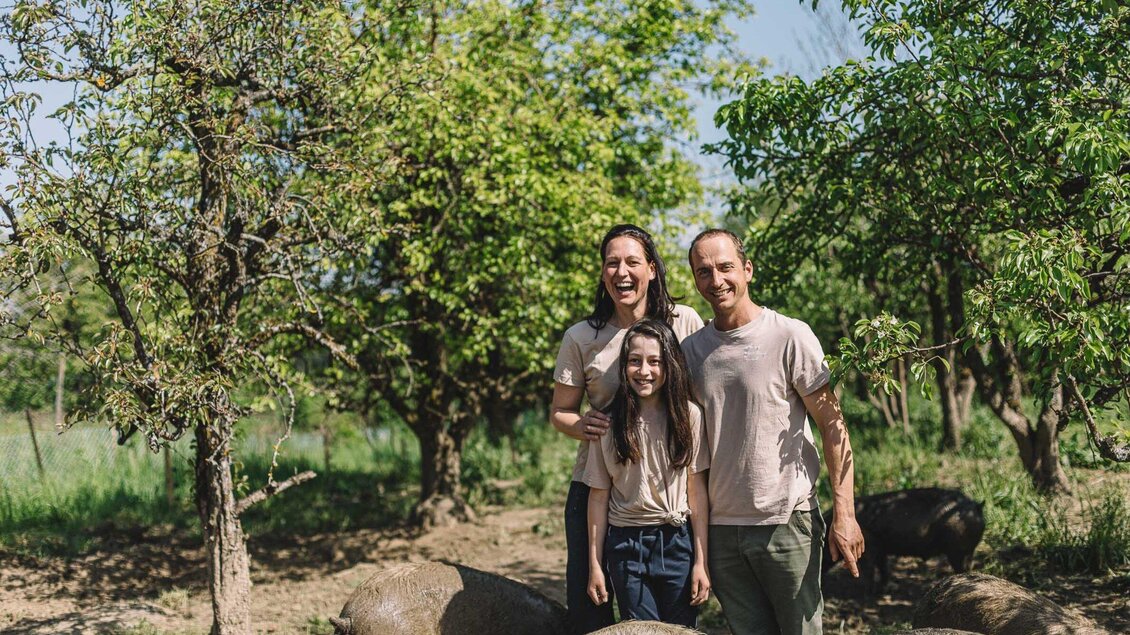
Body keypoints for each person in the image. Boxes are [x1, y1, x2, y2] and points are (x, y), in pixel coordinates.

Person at [680, 228, 865, 635]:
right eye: (704, 271)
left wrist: (845, 514)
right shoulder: (691, 352)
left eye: (726, 267)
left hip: (787, 521)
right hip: (724, 530)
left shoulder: (789, 335)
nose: (716, 280)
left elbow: (833, 428)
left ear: (748, 270)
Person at [551, 224, 704, 634]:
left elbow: (704, 396)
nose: (622, 271)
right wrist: (584, 423)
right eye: (611, 262)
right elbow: (560, 413)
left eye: (632, 261)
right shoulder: (582, 337)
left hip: (671, 491)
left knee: (676, 611)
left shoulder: (683, 321)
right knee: (591, 606)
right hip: (599, 488)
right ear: (602, 273)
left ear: (651, 269)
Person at [583, 319, 711, 628]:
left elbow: (697, 492)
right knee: (639, 630)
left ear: (670, 365)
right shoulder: (609, 423)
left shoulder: (689, 416)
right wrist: (595, 566)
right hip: (626, 547)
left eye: (655, 362)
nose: (644, 371)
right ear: (624, 366)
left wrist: (701, 562)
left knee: (680, 630)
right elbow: (598, 497)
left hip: (676, 542)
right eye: (635, 361)